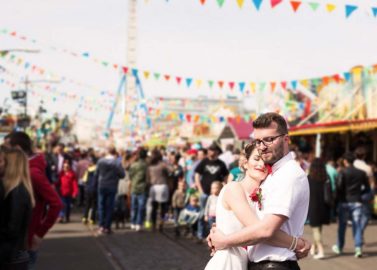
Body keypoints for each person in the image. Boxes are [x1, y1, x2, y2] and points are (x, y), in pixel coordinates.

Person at [209, 112, 310, 270]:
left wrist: (225, 240)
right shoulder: (271, 177)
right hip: (249, 262)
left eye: (269, 139)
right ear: (245, 163)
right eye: (258, 141)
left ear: (286, 139)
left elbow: (265, 230)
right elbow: (257, 226)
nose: (262, 146)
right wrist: (220, 232)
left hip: (273, 264)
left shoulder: (289, 174)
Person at [8, 131, 63, 269]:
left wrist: (39, 234)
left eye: (6, 148)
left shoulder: (32, 173)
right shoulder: (23, 169)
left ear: (18, 149)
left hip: (25, 240)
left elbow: (56, 203)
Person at [0, 149, 34, 269]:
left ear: (11, 165)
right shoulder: (14, 190)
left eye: (2, 161)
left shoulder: (17, 192)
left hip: (11, 258)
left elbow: (12, 229)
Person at [332, 152, 370, 258]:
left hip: (344, 202)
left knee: (342, 226)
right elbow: (367, 188)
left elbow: (338, 188)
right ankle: (358, 248)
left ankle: (339, 247)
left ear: (345, 161)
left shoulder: (342, 172)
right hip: (357, 201)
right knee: (357, 225)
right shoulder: (361, 173)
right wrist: (360, 196)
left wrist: (337, 201)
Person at [195, 143, 228, 241]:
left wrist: (224, 188)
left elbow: (225, 177)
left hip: (216, 195)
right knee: (202, 214)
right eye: (209, 150)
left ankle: (212, 235)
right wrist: (200, 189)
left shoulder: (221, 163)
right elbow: (197, 175)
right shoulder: (204, 162)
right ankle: (200, 234)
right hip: (204, 193)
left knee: (214, 216)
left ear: (217, 152)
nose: (210, 152)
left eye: (213, 150)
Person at [95, 146, 125, 234]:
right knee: (109, 207)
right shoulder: (117, 162)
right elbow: (122, 175)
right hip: (112, 186)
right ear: (114, 152)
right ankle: (107, 227)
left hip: (102, 185)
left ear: (107, 152)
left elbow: (96, 173)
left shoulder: (100, 161)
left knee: (101, 206)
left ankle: (101, 226)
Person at [307, 158, 331, 259]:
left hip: (313, 206)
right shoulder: (326, 177)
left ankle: (321, 251)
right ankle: (313, 247)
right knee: (318, 229)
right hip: (324, 207)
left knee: (316, 230)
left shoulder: (309, 178)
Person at [147, 149, 170, 232]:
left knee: (154, 207)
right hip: (163, 186)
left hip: (153, 187)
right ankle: (161, 223)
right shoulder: (163, 165)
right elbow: (170, 172)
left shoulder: (150, 166)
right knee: (164, 207)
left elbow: (147, 178)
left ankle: (153, 225)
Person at [129, 148, 148, 232]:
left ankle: (132, 222)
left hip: (134, 187)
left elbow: (130, 176)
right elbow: (148, 178)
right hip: (143, 188)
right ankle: (138, 223)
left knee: (134, 207)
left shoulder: (134, 165)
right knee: (141, 207)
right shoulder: (146, 165)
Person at [82, 156, 98, 225]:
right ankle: (92, 219)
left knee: (87, 204)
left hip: (88, 189)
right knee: (94, 205)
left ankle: (85, 217)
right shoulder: (98, 170)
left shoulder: (88, 170)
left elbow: (84, 180)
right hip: (95, 189)